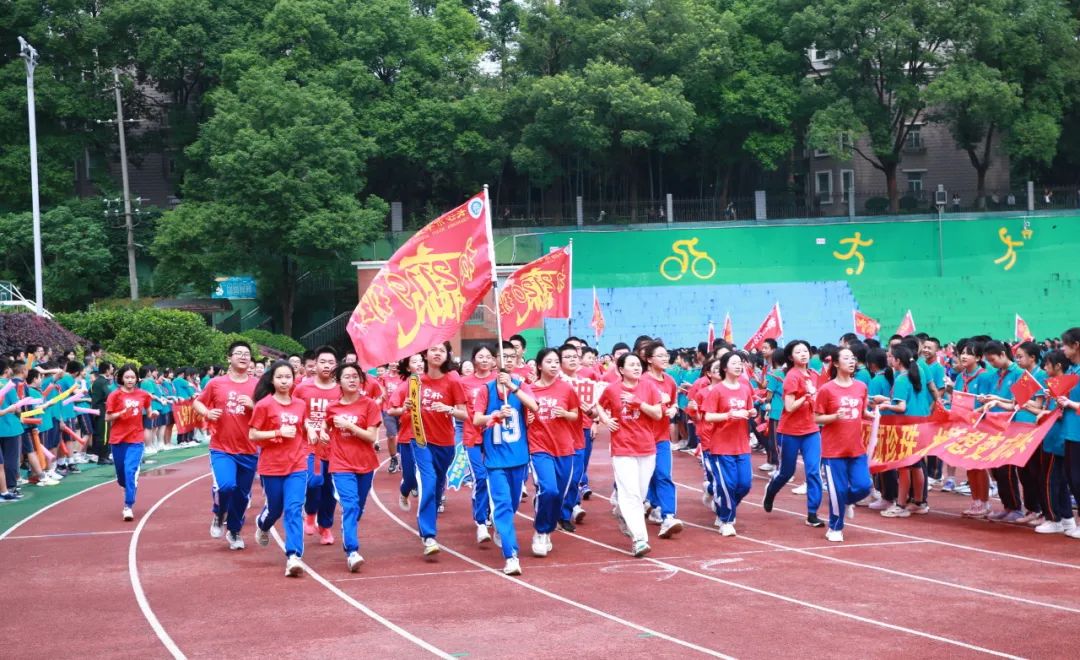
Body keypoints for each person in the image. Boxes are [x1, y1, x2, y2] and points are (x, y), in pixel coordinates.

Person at [474, 350, 538, 575]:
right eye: (503, 356)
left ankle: (502, 527)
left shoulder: (521, 385)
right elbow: (476, 419)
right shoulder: (486, 390)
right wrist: (494, 416)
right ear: (494, 361)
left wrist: (513, 387)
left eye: (512, 356)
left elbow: (534, 406)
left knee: (511, 505)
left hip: (519, 457)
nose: (508, 359)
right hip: (495, 460)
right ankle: (511, 556)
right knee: (502, 505)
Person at [249, 361, 312, 577]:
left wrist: (313, 431)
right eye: (280, 377)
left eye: (288, 377)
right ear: (272, 380)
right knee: (275, 509)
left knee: (294, 509)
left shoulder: (300, 405)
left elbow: (305, 426)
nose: (285, 381)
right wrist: (277, 433)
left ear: (294, 379)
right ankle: (263, 523)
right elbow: (254, 435)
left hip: (297, 465)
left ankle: (293, 556)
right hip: (271, 466)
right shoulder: (264, 405)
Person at [193, 341, 258, 550]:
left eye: (246, 354)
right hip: (221, 447)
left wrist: (253, 406)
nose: (243, 356)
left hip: (249, 448)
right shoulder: (216, 383)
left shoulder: (258, 384)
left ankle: (234, 530)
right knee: (227, 485)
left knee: (242, 495)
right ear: (229, 358)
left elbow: (269, 411)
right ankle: (219, 513)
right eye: (238, 353)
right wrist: (207, 413)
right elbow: (198, 402)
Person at [596, 353, 662, 557]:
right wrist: (606, 419)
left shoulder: (649, 387)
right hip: (623, 447)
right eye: (631, 365)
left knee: (640, 495)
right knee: (631, 493)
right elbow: (599, 404)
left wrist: (637, 403)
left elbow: (658, 414)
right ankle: (639, 539)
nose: (636, 368)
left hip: (646, 447)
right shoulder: (612, 389)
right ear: (621, 370)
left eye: (638, 365)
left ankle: (623, 513)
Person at [405, 342, 468, 556]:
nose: (437, 353)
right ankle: (429, 535)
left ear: (447, 354)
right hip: (421, 439)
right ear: (425, 353)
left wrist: (449, 409)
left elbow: (465, 413)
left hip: (445, 443)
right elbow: (400, 409)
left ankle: (428, 526)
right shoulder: (415, 382)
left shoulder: (453, 379)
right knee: (429, 482)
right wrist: (405, 408)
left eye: (442, 350)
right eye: (433, 349)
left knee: (439, 484)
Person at [324, 362, 382, 571]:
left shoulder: (369, 405)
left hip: (365, 463)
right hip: (340, 463)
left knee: (358, 507)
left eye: (355, 376)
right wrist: (321, 433)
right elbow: (325, 427)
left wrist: (349, 426)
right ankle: (352, 551)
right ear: (338, 381)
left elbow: (371, 436)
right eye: (347, 376)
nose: (352, 380)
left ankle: (348, 530)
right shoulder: (332, 407)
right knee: (350, 505)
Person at [762, 340, 825, 527]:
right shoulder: (792, 377)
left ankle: (812, 513)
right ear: (791, 357)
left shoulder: (813, 375)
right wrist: (805, 397)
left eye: (806, 351)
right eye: (798, 352)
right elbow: (789, 407)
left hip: (811, 430)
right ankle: (771, 491)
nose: (803, 354)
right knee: (786, 471)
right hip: (790, 431)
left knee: (813, 471)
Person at [814, 348, 873, 542]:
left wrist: (875, 414)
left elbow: (862, 411)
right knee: (837, 489)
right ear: (837, 364)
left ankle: (845, 502)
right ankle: (835, 527)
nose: (851, 361)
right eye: (846, 358)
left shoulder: (861, 387)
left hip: (856, 448)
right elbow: (816, 418)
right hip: (833, 450)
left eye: (853, 358)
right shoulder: (827, 390)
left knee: (864, 486)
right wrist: (833, 416)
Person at [525, 347, 580, 557]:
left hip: (564, 447)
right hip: (540, 447)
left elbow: (575, 415)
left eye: (557, 362)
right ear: (539, 365)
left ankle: (547, 529)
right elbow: (523, 416)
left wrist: (565, 413)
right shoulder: (529, 390)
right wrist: (528, 419)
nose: (554, 365)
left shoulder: (566, 388)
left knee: (560, 495)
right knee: (549, 490)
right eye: (549, 362)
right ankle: (540, 531)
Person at [701, 352, 756, 537]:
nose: (739, 366)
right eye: (734, 363)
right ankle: (726, 519)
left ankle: (723, 506)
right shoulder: (717, 390)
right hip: (721, 446)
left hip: (742, 444)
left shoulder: (745, 388)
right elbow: (708, 416)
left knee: (745, 484)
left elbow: (749, 409)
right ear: (725, 368)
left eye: (740, 363)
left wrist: (752, 412)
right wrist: (727, 415)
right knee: (728, 485)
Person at [873, 345, 931, 517]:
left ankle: (900, 504)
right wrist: (888, 400)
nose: (889, 359)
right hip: (920, 424)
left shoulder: (901, 379)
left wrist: (885, 405)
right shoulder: (917, 372)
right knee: (916, 465)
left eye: (891, 357)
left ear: (898, 360)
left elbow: (901, 406)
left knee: (904, 466)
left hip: (906, 427)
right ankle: (919, 502)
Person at [292, 345, 341, 545]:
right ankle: (311, 513)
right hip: (309, 446)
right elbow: (294, 411)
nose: (327, 365)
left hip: (335, 448)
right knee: (314, 481)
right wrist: (308, 427)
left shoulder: (341, 388)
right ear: (315, 364)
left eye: (331, 362)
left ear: (336, 365)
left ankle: (326, 527)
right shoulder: (303, 388)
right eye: (323, 362)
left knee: (330, 491)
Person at [641, 342, 683, 538]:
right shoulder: (642, 381)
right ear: (649, 359)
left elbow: (673, 402)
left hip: (662, 437)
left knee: (664, 474)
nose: (665, 358)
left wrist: (673, 408)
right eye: (660, 355)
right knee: (648, 477)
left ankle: (668, 516)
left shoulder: (670, 381)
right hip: (642, 438)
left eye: (666, 355)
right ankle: (652, 503)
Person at [105, 364, 157, 520]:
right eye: (127, 377)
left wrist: (152, 414)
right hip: (118, 439)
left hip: (136, 439)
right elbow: (107, 417)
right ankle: (127, 486)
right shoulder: (114, 396)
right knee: (121, 476)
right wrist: (120, 413)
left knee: (130, 471)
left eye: (132, 377)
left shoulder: (143, 395)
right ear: (121, 378)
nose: (130, 380)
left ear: (137, 379)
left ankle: (128, 505)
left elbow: (148, 412)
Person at [460, 345, 498, 542]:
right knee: (480, 477)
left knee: (494, 477)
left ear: (493, 360)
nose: (484, 360)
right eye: (480, 356)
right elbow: (459, 408)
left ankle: (491, 512)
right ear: (474, 359)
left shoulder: (498, 380)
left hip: (495, 436)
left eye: (488, 357)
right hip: (472, 435)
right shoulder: (464, 382)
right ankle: (481, 521)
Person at [1034, 349, 1074, 534]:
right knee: (1059, 481)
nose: (1044, 367)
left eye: (1047, 364)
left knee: (1049, 480)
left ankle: (1053, 518)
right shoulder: (1053, 385)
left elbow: (1061, 412)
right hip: (1052, 436)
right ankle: (1067, 518)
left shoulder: (1066, 384)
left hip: (1057, 437)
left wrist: (1046, 413)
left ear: (1058, 366)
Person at [386, 354, 424, 512]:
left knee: (429, 476)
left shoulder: (433, 383)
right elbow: (390, 410)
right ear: (408, 368)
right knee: (410, 477)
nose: (420, 364)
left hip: (430, 438)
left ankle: (429, 508)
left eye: (422, 361)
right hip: (408, 437)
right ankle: (404, 491)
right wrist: (403, 409)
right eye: (415, 362)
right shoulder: (404, 386)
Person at [1059, 328, 1080, 539]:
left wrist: (1070, 403)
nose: (1062, 349)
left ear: (1076, 345)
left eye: (1065, 345)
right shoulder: (1073, 371)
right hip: (1071, 432)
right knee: (1072, 479)